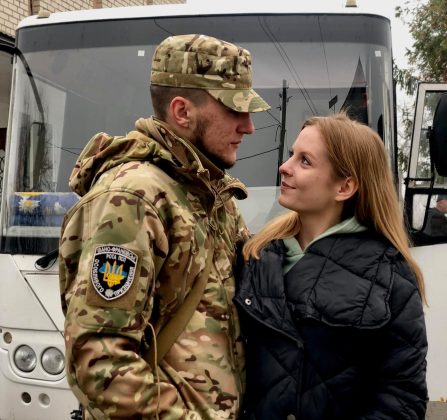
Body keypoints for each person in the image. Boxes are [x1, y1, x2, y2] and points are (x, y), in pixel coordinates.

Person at [59, 34, 270, 419]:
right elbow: (100, 362)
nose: (249, 127)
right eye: (235, 111)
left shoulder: (208, 194)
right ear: (182, 111)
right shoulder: (134, 199)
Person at [234, 113, 428, 419]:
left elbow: (402, 397)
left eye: (305, 161)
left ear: (345, 187)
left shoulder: (391, 274)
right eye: (291, 155)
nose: (284, 167)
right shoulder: (255, 253)